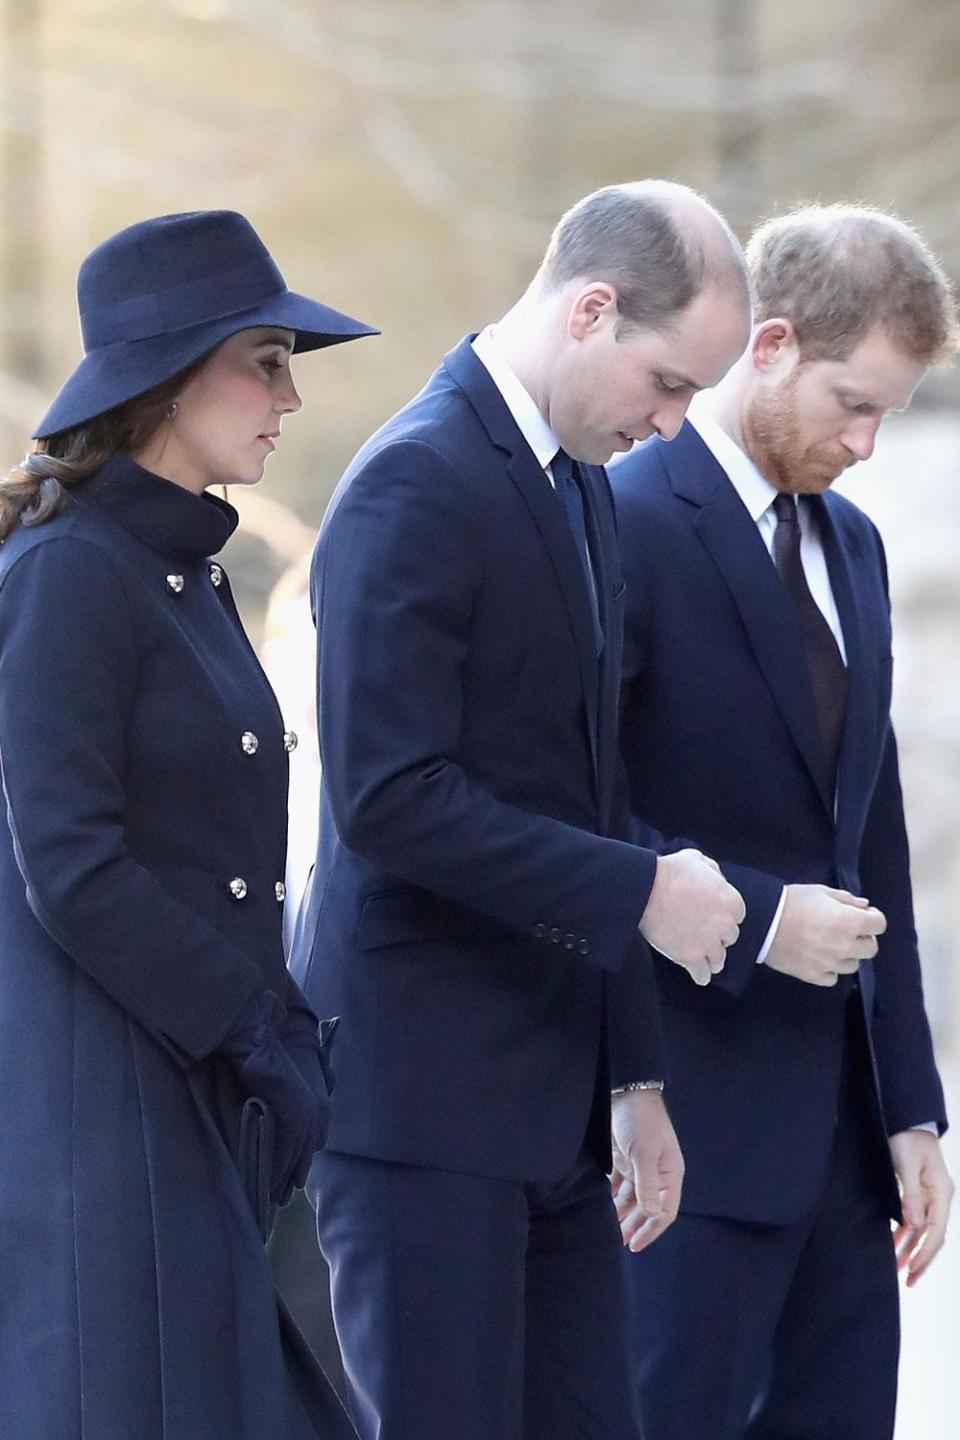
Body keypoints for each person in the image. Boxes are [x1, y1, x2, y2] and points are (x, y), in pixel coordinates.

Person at [289, 180, 751, 1440]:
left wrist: (636, 1071)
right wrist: (646, 892)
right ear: (592, 310)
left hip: (553, 1099)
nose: (671, 426)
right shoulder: (413, 481)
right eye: (669, 384)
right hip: (420, 1105)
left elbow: (587, 794)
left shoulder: (581, 483)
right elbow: (390, 798)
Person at [0, 209, 377, 1440]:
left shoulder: (187, 570)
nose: (289, 396)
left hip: (200, 1094)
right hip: (110, 1118)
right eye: (264, 359)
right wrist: (250, 1027)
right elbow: (69, 865)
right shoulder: (68, 574)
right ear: (171, 379)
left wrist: (275, 1041)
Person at [611, 203, 956, 1440]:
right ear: (768, 345)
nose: (867, 443)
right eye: (852, 404)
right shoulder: (624, 519)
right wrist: (758, 923)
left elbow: (872, 839)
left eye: (890, 415)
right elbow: (584, 818)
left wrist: (912, 1109)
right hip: (681, 1130)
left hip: (846, 1146)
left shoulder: (853, 547)